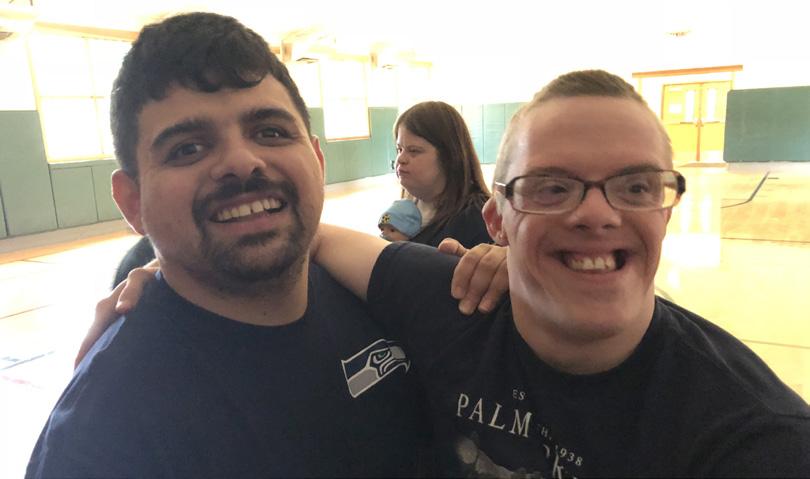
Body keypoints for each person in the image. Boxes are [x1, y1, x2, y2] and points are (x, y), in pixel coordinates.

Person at [77, 70, 810, 476]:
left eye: (635, 186)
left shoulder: (748, 435)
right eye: (551, 187)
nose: (596, 214)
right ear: (498, 219)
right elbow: (306, 238)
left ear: (667, 209)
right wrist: (165, 269)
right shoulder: (449, 299)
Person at [26, 12, 442, 478]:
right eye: (187, 148)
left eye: (270, 132)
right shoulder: (102, 437)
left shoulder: (378, 300)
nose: (243, 162)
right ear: (133, 202)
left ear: (317, 160)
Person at [394, 101, 492, 248]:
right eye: (399, 149)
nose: (401, 159)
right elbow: (385, 230)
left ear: (449, 156)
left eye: (414, 151)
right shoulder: (403, 207)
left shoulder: (477, 218)